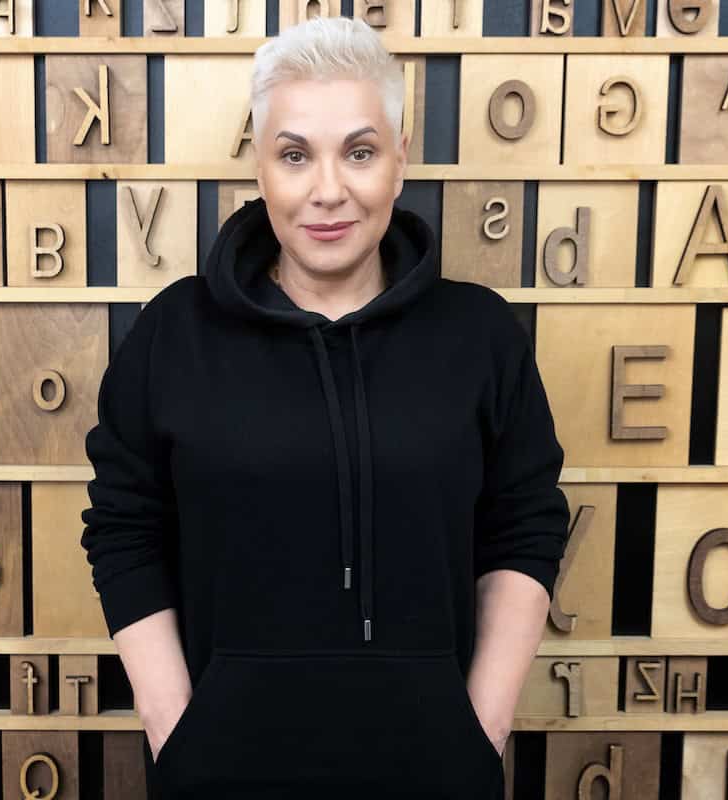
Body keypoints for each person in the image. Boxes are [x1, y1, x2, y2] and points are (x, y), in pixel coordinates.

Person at [80, 15, 571, 800]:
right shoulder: (175, 333)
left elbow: (525, 523)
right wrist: (176, 726)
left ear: (400, 161)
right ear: (261, 166)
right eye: (295, 155)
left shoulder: (478, 334)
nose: (328, 190)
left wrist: (481, 726)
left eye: (360, 152)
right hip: (220, 777)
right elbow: (123, 527)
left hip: (435, 776)